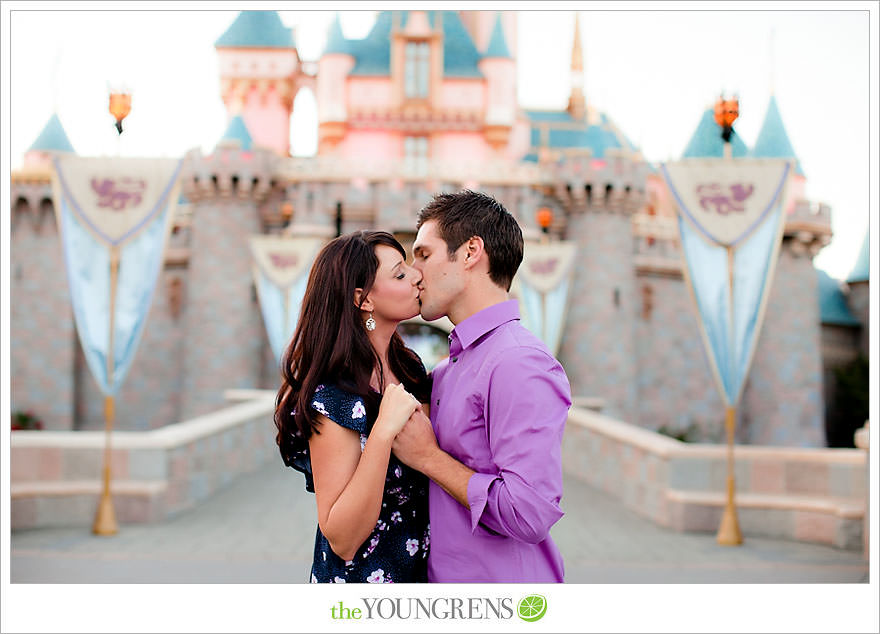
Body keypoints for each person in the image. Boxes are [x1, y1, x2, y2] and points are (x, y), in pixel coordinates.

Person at [392, 190, 572, 583]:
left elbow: (529, 512)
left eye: (423, 254)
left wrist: (429, 458)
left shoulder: (519, 362)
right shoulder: (447, 370)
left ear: (471, 251)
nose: (414, 271)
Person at [274, 231, 432, 584]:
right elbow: (342, 539)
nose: (417, 275)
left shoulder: (410, 369)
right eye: (400, 274)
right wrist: (382, 433)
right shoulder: (335, 395)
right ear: (364, 301)